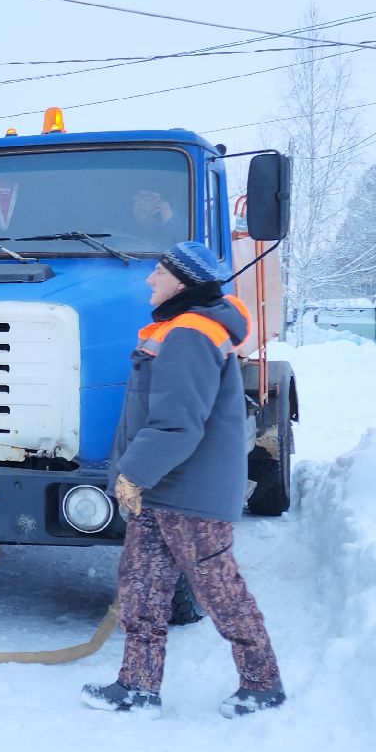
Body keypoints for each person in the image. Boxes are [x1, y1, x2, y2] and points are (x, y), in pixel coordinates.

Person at [82, 240, 284, 719]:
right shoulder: (178, 327)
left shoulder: (191, 333)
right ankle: (138, 688)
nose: (149, 279)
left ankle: (263, 684)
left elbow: (178, 425)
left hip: (190, 493)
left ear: (182, 281)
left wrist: (132, 475)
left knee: (220, 591)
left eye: (159, 272)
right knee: (142, 591)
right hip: (161, 488)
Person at [120, 188, 188, 250]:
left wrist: (168, 218)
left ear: (161, 204)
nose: (140, 202)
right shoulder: (121, 227)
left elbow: (184, 249)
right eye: (137, 198)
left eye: (148, 198)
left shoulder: (184, 227)